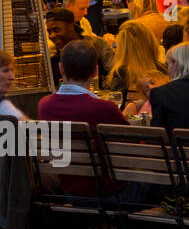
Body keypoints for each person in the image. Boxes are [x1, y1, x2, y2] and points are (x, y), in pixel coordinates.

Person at [38, 40, 128, 195]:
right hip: (110, 191)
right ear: (95, 72)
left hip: (69, 189)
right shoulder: (105, 108)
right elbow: (131, 145)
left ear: (61, 68)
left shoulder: (45, 105)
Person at [107, 21, 167, 114]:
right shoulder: (162, 69)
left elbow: (115, 108)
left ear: (124, 48)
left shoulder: (122, 72)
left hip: (131, 124)